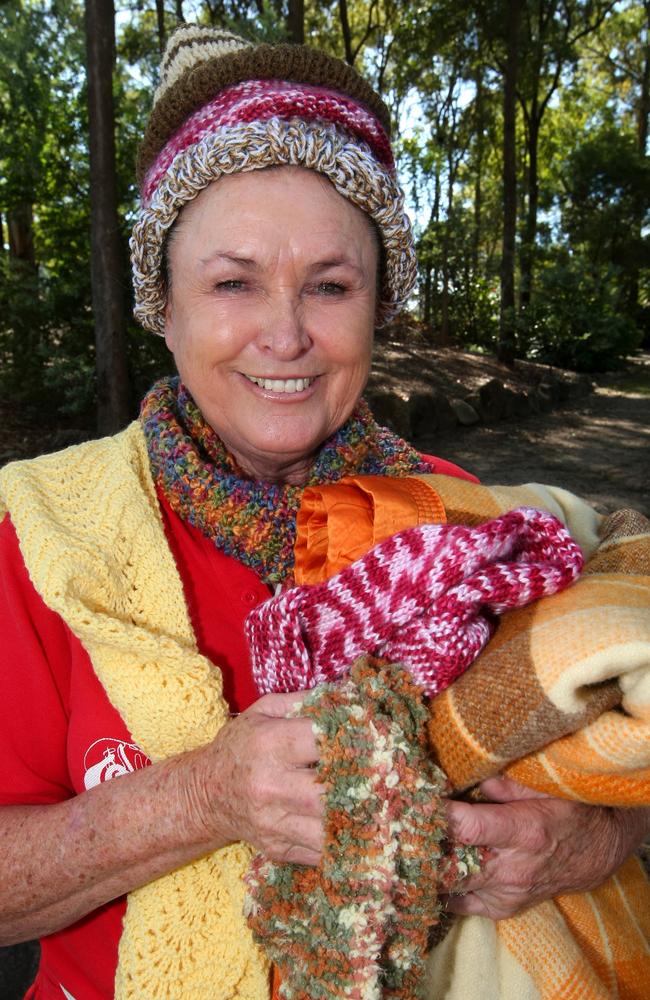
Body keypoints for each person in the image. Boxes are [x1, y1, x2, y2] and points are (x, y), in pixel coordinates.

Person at [0, 24, 648, 1000]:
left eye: (330, 285)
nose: (287, 333)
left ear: (377, 304)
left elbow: (614, 720)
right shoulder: (40, 534)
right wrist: (200, 798)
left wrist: (597, 836)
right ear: (160, 305)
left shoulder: (475, 525)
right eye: (231, 281)